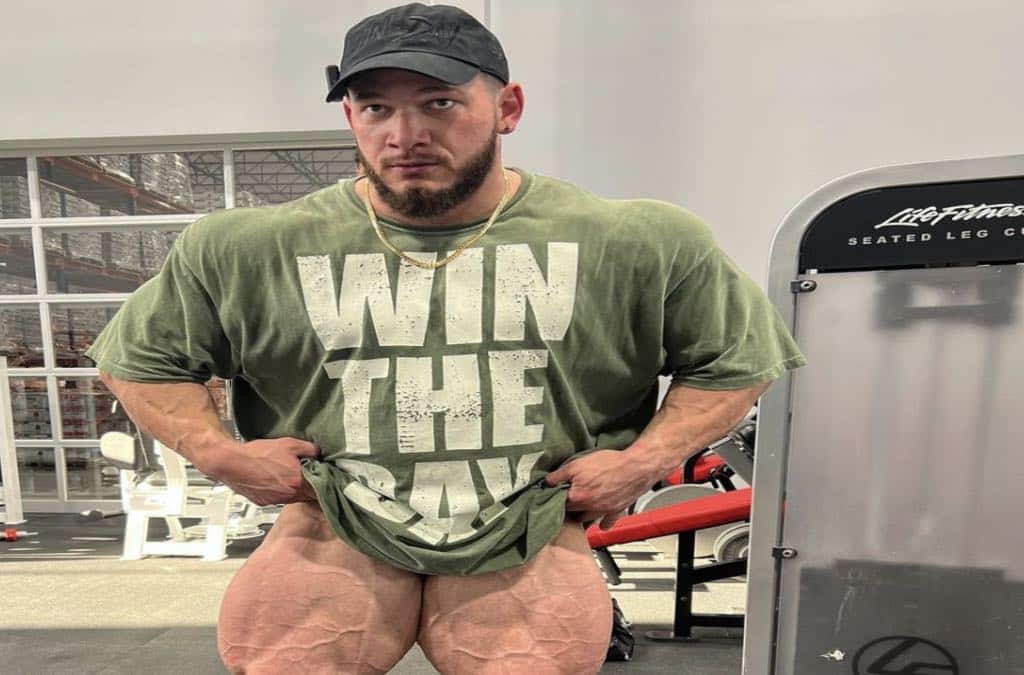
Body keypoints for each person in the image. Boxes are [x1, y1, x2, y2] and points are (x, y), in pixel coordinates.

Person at [86, 3, 805, 673]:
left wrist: (643, 462)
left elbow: (738, 359)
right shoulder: (243, 248)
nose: (405, 135)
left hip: (529, 522)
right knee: (284, 660)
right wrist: (221, 455)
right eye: (377, 107)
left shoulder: (639, 240)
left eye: (439, 103)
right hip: (332, 519)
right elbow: (140, 361)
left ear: (508, 108)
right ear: (350, 116)